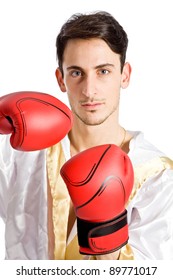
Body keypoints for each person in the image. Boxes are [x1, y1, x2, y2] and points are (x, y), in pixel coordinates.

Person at [0, 11, 173, 260]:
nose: (89, 90)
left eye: (103, 71)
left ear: (125, 75)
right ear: (61, 79)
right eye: (76, 73)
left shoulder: (157, 177)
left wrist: (106, 233)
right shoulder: (19, 151)